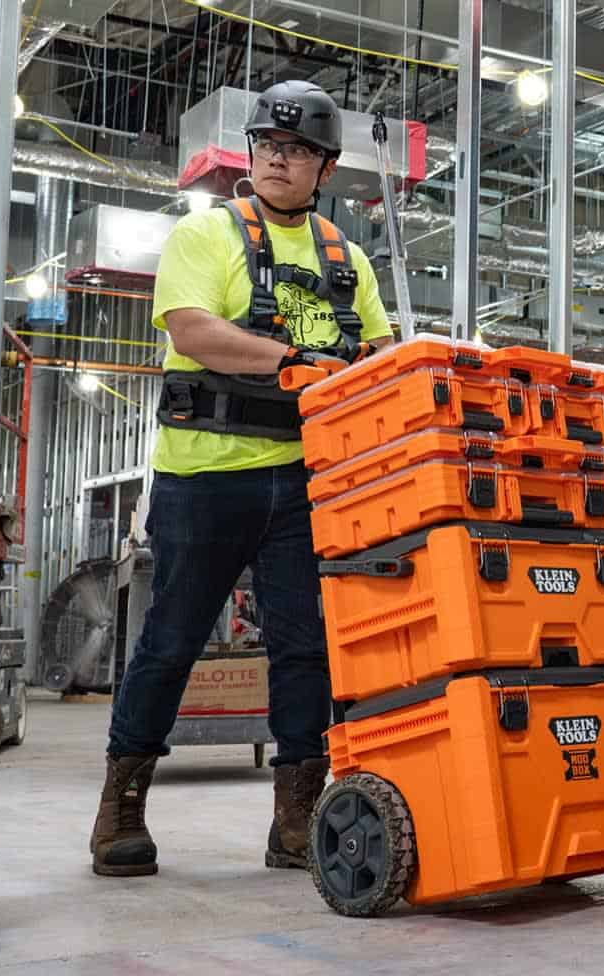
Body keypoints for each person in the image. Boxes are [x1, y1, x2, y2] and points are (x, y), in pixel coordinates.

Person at [90, 80, 395, 877]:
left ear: (326, 167)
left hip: (306, 485)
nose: (277, 160)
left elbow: (380, 361)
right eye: (266, 146)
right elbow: (194, 333)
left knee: (307, 649)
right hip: (204, 477)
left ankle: (296, 816)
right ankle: (122, 806)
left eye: (295, 151)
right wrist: (296, 360)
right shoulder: (207, 235)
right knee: (170, 642)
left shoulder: (346, 257)